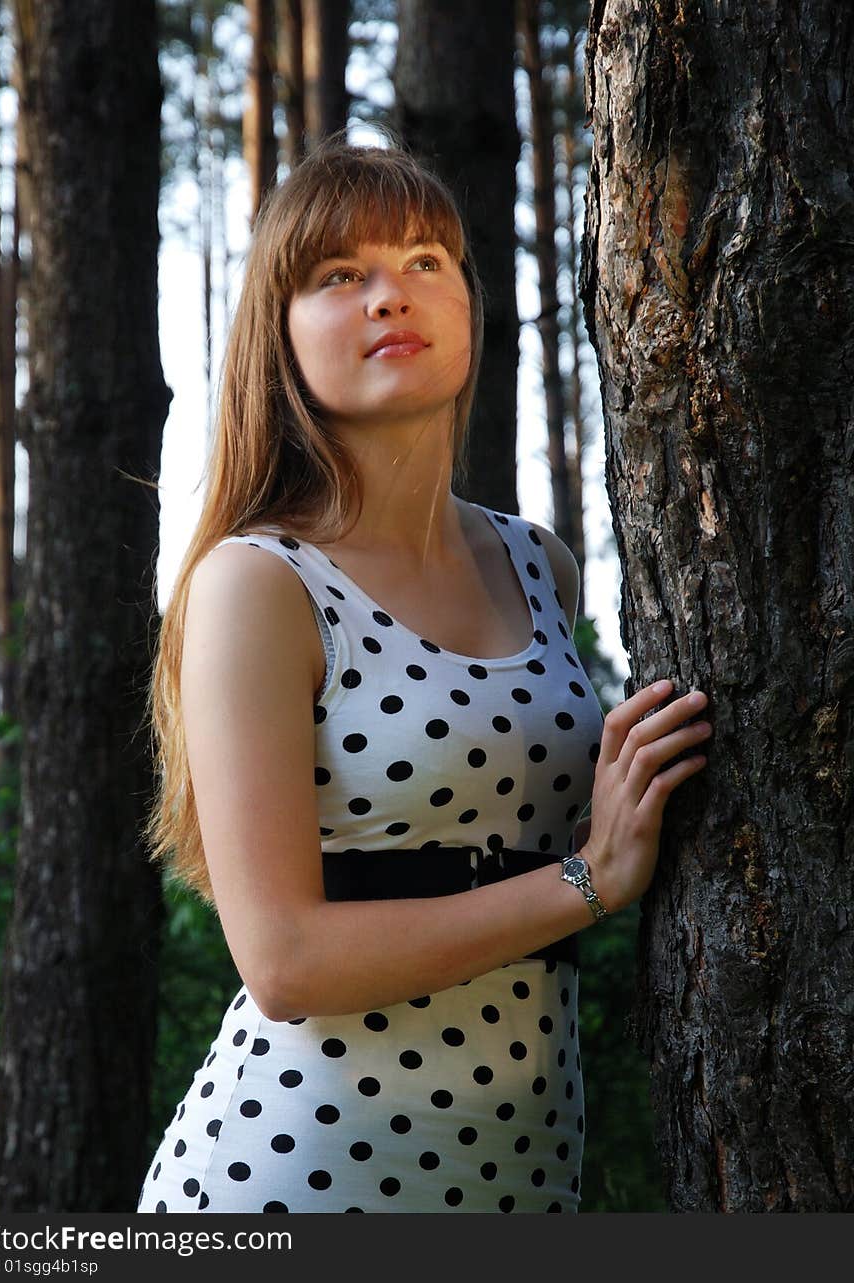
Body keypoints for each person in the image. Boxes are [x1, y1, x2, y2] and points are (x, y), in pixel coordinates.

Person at [136, 131, 713, 1214]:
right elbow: (285, 959)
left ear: (466, 304)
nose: (388, 295)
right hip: (296, 1175)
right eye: (339, 275)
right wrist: (588, 881)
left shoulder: (536, 560)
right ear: (281, 333)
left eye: (422, 260)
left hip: (521, 1173)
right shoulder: (258, 582)